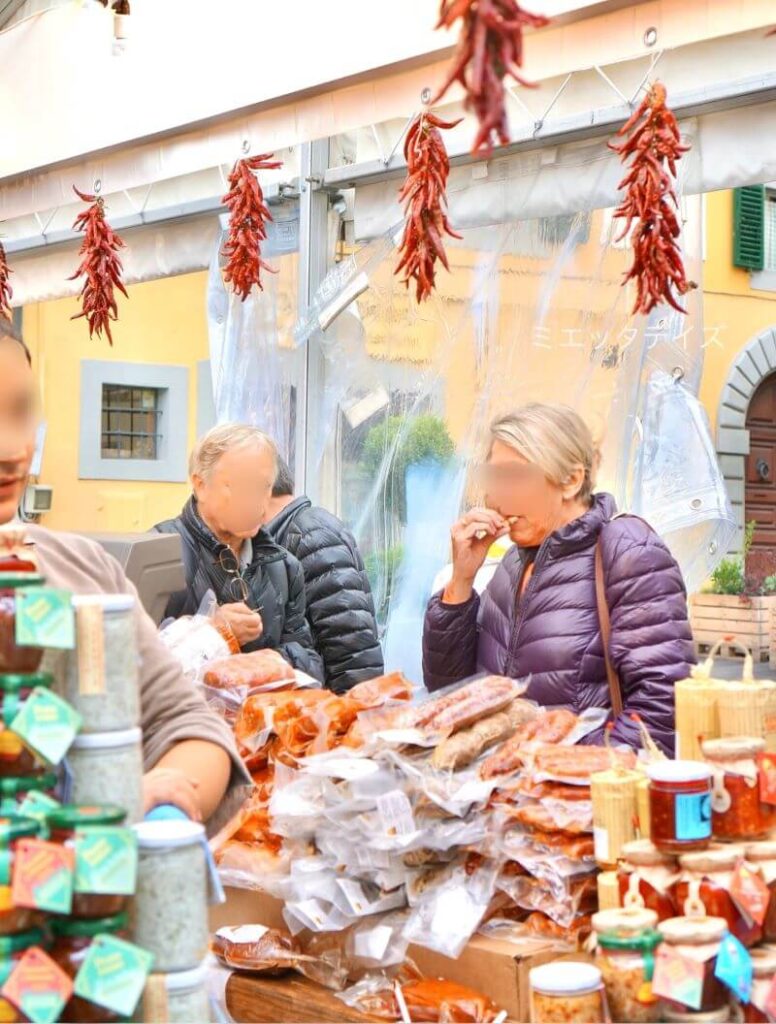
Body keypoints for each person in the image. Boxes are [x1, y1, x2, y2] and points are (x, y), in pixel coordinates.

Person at [0, 316, 246, 824]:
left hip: (84, 895)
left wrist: (167, 804)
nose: (12, 449)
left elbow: (183, 722)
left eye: (22, 412)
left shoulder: (82, 571)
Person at [422, 403, 694, 754]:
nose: (497, 496)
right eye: (493, 478)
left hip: (579, 798)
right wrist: (461, 580)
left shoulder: (628, 550)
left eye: (515, 477)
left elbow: (662, 711)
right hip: (501, 795)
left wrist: (555, 768)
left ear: (571, 480)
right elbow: (451, 695)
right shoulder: (510, 565)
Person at [155, 425, 323, 680]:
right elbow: (133, 669)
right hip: (191, 719)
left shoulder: (284, 567)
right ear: (200, 485)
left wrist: (271, 661)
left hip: (261, 717)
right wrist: (214, 633)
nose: (256, 501)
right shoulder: (157, 554)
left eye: (264, 486)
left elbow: (310, 664)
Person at [264, 457, 383, 693]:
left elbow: (352, 649)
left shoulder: (310, 534)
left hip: (333, 709)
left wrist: (343, 719)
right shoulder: (287, 533)